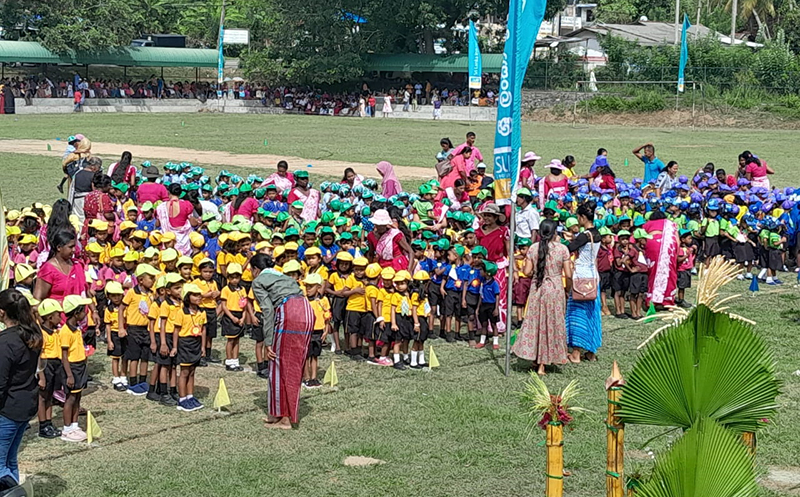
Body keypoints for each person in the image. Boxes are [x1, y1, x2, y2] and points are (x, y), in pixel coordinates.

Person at [251, 254, 314, 430]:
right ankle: (276, 413)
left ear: (255, 269)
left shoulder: (258, 281)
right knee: (293, 365)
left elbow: (267, 310)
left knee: (278, 364)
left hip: (289, 314)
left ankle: (284, 418)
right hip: (306, 312)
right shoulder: (285, 277)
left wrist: (268, 341)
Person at [512, 220, 571, 375]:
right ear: (554, 232)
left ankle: (535, 359)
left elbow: (527, 271)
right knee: (552, 323)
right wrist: (568, 289)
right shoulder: (562, 249)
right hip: (555, 288)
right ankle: (545, 362)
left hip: (537, 288)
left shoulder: (533, 248)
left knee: (536, 322)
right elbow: (568, 274)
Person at [0, 289, 41, 480]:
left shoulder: (6, 342)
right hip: (26, 403)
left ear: (2, 313)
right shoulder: (32, 335)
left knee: (1, 464)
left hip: (8, 408)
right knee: (10, 460)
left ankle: (12, 491)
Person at [566, 202, 602, 363]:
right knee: (591, 313)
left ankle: (575, 353)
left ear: (582, 217)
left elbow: (569, 248)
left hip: (581, 276)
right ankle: (591, 351)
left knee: (577, 313)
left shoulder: (584, 235)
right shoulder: (597, 233)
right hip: (593, 276)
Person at [475, 203, 511, 334]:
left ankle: (498, 326)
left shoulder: (503, 231)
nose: (486, 218)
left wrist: (513, 269)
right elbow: (477, 249)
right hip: (483, 267)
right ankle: (483, 325)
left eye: (489, 216)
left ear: (496, 217)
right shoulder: (479, 232)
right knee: (482, 294)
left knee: (498, 294)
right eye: (485, 215)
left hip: (498, 266)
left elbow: (509, 249)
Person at [643, 211, 680, 308]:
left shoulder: (647, 224)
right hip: (668, 246)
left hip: (651, 244)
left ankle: (651, 300)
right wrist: (675, 256)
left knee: (653, 272)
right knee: (669, 272)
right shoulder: (670, 224)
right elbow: (677, 240)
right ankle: (667, 301)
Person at [156, 184, 197, 255]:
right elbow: (194, 223)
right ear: (180, 193)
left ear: (168, 192)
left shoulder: (161, 207)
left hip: (168, 242)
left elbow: (158, 224)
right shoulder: (186, 205)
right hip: (183, 244)